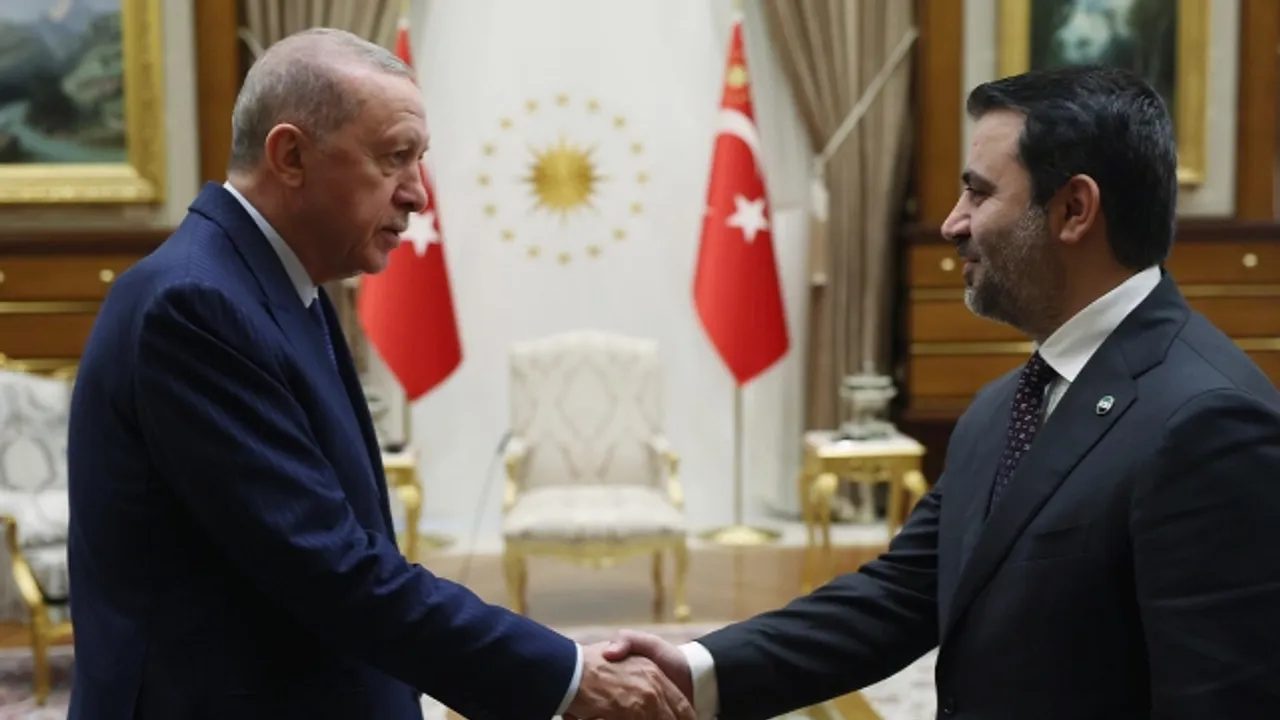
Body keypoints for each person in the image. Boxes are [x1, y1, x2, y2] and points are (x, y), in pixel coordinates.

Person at [605, 66, 1280, 718]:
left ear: (1074, 210)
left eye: (979, 195)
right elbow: (902, 594)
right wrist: (696, 670)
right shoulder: (1004, 406)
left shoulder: (1207, 424)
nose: (953, 223)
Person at [65, 28, 692, 720]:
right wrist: (567, 678)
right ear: (291, 156)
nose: (418, 195)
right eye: (395, 157)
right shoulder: (196, 305)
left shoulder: (276, 285)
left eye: (419, 160)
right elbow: (329, 568)